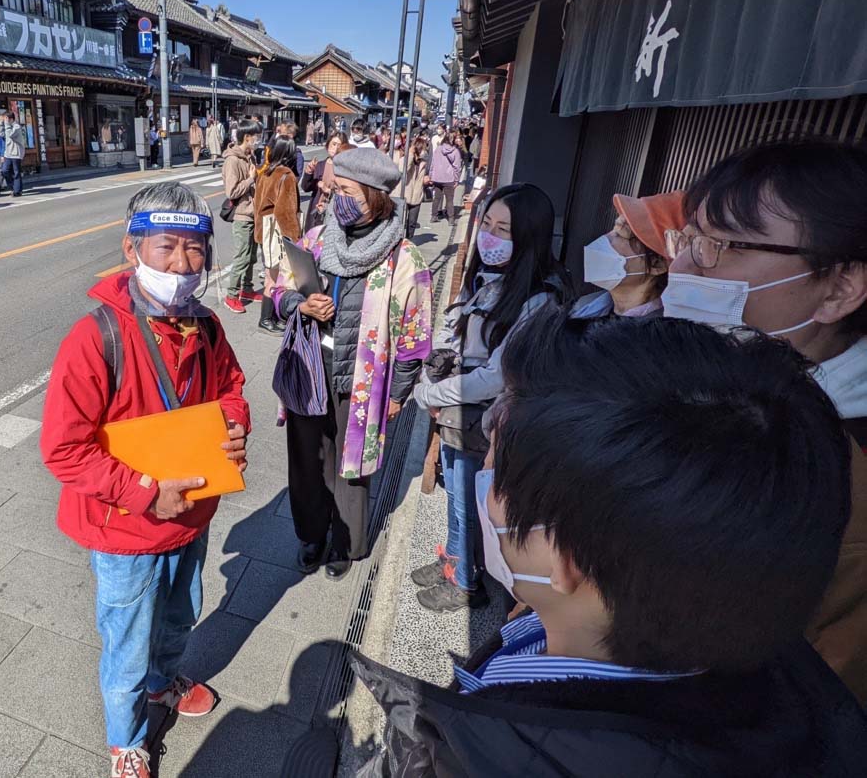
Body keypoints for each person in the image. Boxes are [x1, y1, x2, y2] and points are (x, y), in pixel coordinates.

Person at [353, 311, 867, 776]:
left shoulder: (488, 760)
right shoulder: (772, 694)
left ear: (564, 560)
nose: (484, 481)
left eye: (496, 471)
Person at [40, 182, 250, 778]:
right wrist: (143, 493)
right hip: (124, 529)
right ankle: (126, 741)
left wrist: (233, 429)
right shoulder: (95, 337)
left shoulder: (206, 327)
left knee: (181, 615)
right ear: (132, 249)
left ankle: (165, 683)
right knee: (127, 644)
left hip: (192, 512)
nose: (183, 265)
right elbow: (63, 449)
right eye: (167, 247)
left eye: (195, 250)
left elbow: (231, 390)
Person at [663, 138, 867, 702]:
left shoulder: (840, 481)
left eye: (719, 246)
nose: (680, 264)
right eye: (690, 237)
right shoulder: (709, 381)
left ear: (840, 287)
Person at [411, 183, 575, 612]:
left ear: (529, 238)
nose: (490, 236)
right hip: (456, 413)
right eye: (487, 223)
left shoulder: (541, 298)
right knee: (453, 493)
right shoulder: (487, 276)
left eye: (504, 230)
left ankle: (465, 581)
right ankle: (454, 560)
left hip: (482, 422)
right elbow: (457, 325)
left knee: (468, 502)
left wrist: (431, 392)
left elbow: (494, 376)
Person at [274, 146, 433, 578]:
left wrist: (398, 394)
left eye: (345, 190)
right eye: (334, 188)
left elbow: (415, 338)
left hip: (363, 381)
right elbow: (280, 287)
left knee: (351, 466)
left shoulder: (404, 259)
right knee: (307, 459)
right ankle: (311, 534)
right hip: (310, 368)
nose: (333, 197)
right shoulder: (318, 237)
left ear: (375, 196)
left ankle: (345, 544)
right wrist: (298, 304)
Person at [574, 191, 685, 319]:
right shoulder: (583, 307)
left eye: (620, 234)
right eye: (613, 229)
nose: (605, 239)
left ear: (657, 264)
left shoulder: (660, 335)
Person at [253, 136, 302, 333]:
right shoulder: (286, 175)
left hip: (265, 228)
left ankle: (270, 317)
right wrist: (296, 238)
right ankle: (267, 318)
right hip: (278, 231)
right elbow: (286, 213)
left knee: (270, 274)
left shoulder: (266, 172)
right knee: (277, 278)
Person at [221, 118, 264, 315]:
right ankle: (231, 295)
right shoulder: (233, 160)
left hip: (253, 213)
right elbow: (232, 191)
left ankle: (247, 289)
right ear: (247, 138)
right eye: (257, 136)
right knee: (242, 257)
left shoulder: (251, 157)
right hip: (241, 214)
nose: (259, 140)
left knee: (251, 256)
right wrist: (251, 179)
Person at [302, 130, 346, 231]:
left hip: (334, 214)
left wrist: (329, 191)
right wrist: (309, 172)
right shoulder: (320, 165)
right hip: (316, 213)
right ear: (327, 145)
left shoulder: (344, 169)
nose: (335, 148)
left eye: (339, 145)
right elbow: (306, 188)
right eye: (333, 144)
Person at [392, 135, 429, 240]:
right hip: (404, 194)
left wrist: (425, 180)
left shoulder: (423, 163)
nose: (424, 152)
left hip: (417, 196)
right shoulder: (406, 159)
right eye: (423, 149)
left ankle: (409, 241)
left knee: (412, 223)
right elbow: (402, 170)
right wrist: (411, 154)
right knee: (400, 221)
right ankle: (397, 242)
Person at [429, 130, 464, 223]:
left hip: (437, 177)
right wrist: (457, 180)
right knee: (449, 199)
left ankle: (433, 216)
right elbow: (457, 167)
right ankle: (451, 219)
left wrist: (431, 175)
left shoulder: (438, 149)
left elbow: (433, 163)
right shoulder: (455, 151)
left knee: (436, 198)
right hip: (449, 178)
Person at [0, 112, 26, 197]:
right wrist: (0, 122)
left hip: (16, 153)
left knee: (16, 172)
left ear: (11, 119)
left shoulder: (16, 127)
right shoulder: (8, 127)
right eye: (5, 119)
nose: (6, 120)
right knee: (4, 171)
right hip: (8, 153)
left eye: (7, 118)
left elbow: (10, 135)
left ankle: (17, 191)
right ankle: (13, 187)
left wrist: (6, 124)